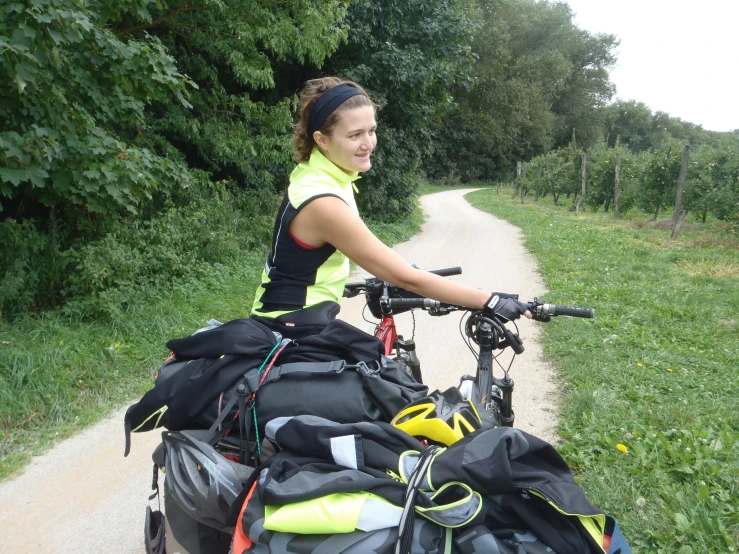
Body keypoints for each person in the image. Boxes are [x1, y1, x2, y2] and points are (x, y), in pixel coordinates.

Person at [250, 77, 530, 338]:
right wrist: (489, 299)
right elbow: (405, 277)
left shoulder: (318, 172)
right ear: (322, 140)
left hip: (295, 317)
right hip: (292, 327)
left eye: (372, 131)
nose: (368, 143)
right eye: (355, 135)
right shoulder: (323, 201)